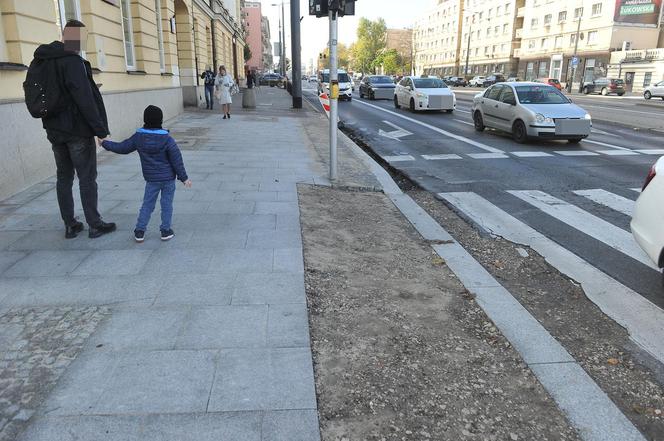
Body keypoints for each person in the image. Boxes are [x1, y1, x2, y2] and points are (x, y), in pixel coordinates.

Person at [35, 19, 116, 239]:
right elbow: (84, 98)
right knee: (87, 177)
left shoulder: (43, 59)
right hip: (77, 130)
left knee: (64, 177)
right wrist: (100, 130)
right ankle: (94, 224)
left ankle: (70, 224)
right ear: (74, 36)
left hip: (54, 129)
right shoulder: (71, 61)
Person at [100, 105, 192, 243]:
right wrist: (184, 178)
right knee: (167, 204)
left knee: (147, 204)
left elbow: (122, 148)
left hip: (151, 180)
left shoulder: (139, 137)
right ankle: (165, 230)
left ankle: (140, 231)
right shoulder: (167, 139)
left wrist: (105, 143)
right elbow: (176, 160)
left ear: (145, 119)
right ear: (160, 120)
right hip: (168, 179)